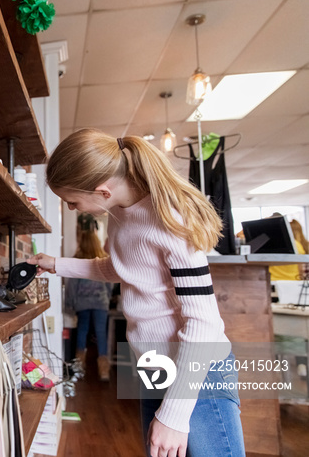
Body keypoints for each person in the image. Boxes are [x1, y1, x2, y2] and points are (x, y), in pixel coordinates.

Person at [28, 129, 244, 457]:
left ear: (101, 190)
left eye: (72, 201)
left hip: (197, 373)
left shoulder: (171, 219)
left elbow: (204, 325)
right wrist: (56, 264)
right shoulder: (119, 215)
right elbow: (119, 269)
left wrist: (174, 414)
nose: (72, 209)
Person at [64, 213, 113, 381]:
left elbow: (72, 286)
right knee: (101, 333)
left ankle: (79, 367)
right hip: (101, 302)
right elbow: (109, 283)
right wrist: (108, 297)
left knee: (82, 332)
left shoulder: (77, 261)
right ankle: (104, 371)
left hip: (82, 303)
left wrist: (69, 305)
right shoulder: (102, 259)